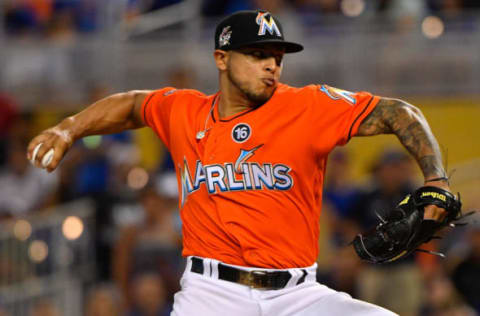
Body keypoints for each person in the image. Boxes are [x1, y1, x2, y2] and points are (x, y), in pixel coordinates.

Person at [28, 10, 453, 316]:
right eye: (257, 54)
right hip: (211, 296)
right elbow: (133, 105)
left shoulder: (306, 106)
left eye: (278, 56)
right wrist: (69, 127)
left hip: (299, 296)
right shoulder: (185, 112)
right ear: (221, 58)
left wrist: (437, 179)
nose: (272, 64)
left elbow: (401, 112)